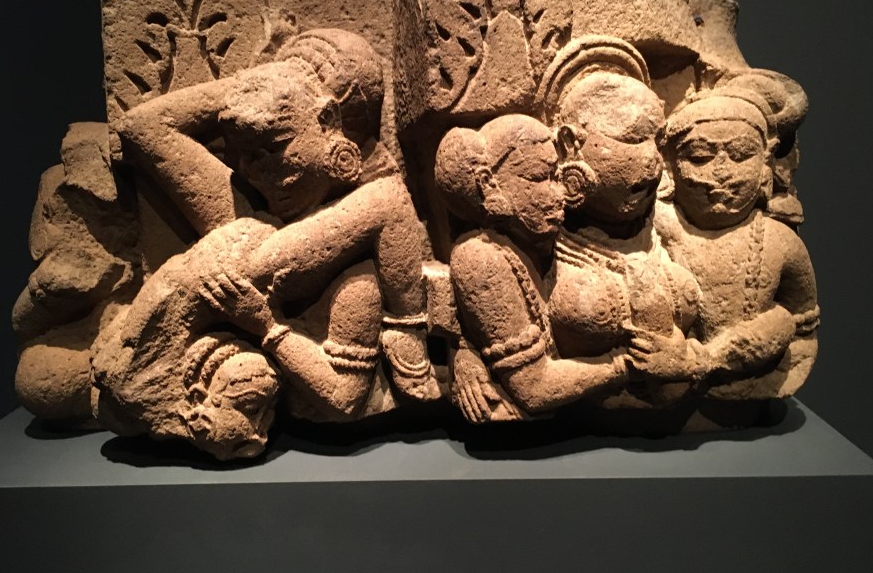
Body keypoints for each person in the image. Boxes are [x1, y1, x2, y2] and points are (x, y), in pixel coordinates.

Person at [92, 29, 440, 459]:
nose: (256, 172)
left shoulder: (263, 215)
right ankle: (408, 342)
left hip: (236, 273)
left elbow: (141, 126)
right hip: (239, 266)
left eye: (274, 148)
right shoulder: (245, 206)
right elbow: (141, 127)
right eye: (246, 155)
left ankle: (407, 341)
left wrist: (284, 82)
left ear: (327, 119)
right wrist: (267, 83)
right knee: (385, 198)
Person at [536, 37, 703, 408]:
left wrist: (689, 358)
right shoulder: (540, 230)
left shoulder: (665, 224)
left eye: (657, 140)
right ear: (570, 143)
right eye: (632, 139)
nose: (652, 161)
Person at [436, 114, 630, 422]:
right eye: (540, 178)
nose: (559, 194)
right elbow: (535, 388)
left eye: (555, 176)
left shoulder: (543, 236)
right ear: (488, 184)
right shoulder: (481, 257)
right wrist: (625, 366)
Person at [649, 88, 819, 397]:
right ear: (670, 164)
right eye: (700, 157)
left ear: (766, 162)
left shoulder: (778, 240)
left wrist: (763, 340)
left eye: (740, 154)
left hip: (748, 388)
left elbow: (803, 328)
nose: (721, 172)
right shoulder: (655, 228)